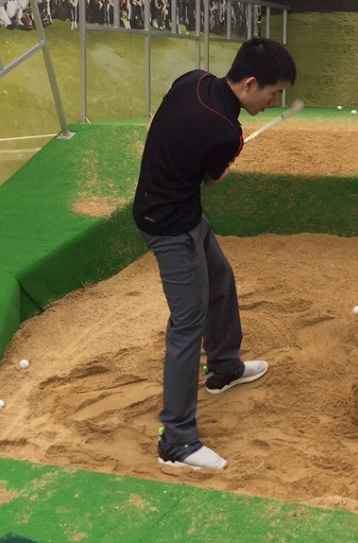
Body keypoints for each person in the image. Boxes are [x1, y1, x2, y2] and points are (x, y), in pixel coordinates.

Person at [133, 37, 297, 470]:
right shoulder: (227, 132)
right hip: (169, 228)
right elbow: (214, 180)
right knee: (187, 325)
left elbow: (156, 126)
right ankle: (177, 440)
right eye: (273, 92)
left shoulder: (193, 80)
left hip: (179, 213)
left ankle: (223, 369)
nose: (274, 101)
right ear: (249, 83)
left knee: (220, 281)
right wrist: (226, 157)